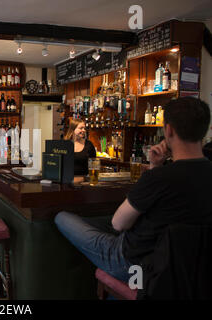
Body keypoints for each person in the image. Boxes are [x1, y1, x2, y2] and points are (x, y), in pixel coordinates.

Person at [54, 97, 212, 284]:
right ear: (204, 130)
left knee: (62, 217)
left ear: (168, 130)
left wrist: (154, 170)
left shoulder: (159, 178)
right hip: (188, 267)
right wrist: (155, 165)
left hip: (134, 264)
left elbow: (118, 223)